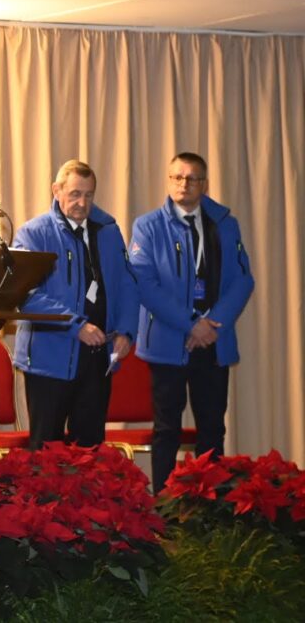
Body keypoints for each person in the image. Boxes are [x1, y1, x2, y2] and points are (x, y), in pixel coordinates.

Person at [130, 153, 254, 493]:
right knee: (167, 428)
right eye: (177, 177)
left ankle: (209, 508)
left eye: (192, 178)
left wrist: (212, 323)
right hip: (169, 342)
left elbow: (243, 281)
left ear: (204, 184)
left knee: (213, 428)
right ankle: (166, 510)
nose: (184, 184)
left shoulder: (225, 224)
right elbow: (143, 282)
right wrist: (190, 325)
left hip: (213, 341)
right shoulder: (148, 226)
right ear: (168, 181)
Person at [12, 160, 138, 448]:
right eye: (75, 194)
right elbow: (24, 293)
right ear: (56, 190)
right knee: (47, 452)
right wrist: (75, 325)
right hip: (49, 359)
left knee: (90, 450)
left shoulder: (108, 230)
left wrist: (126, 331)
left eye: (89, 195)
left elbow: (128, 284)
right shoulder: (34, 233)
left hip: (97, 358)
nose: (82, 202)